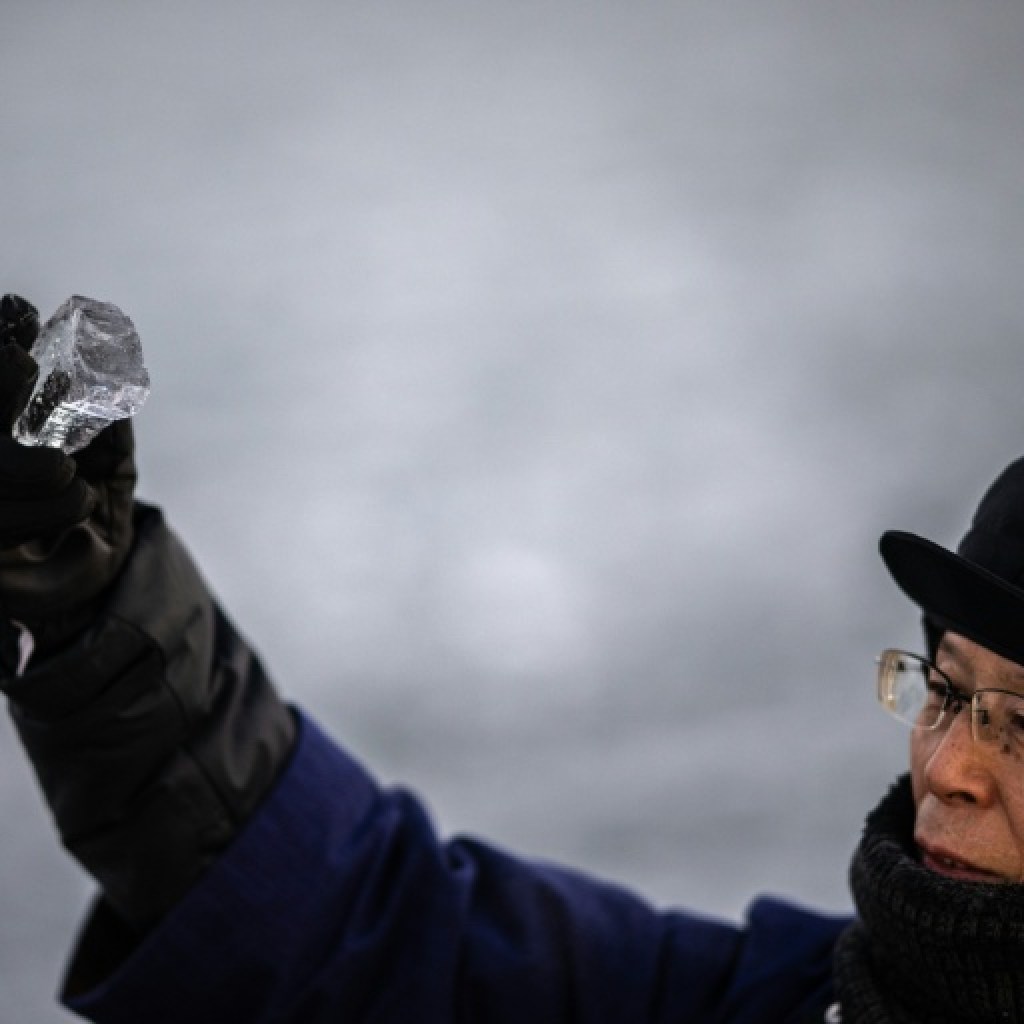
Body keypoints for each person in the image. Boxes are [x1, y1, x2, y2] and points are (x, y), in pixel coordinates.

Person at [0, 292, 1020, 1024]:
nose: (947, 769)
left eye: (1022, 725)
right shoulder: (787, 997)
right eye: (943, 691)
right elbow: (374, 940)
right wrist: (92, 603)